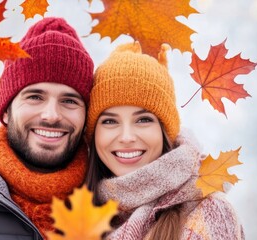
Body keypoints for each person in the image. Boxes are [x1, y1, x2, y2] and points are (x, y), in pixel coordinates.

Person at [85, 42, 244, 240]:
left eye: (143, 120)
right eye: (109, 121)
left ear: (164, 132)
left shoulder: (208, 212)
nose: (126, 137)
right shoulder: (78, 210)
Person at [0, 17, 94, 239]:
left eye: (70, 101)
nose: (51, 115)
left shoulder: (114, 206)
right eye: (35, 97)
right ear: (6, 110)